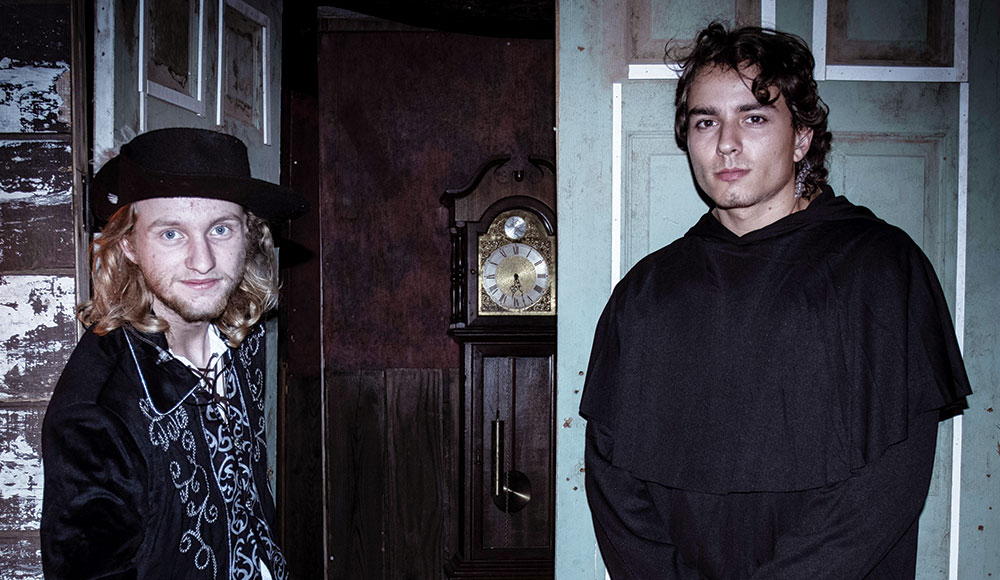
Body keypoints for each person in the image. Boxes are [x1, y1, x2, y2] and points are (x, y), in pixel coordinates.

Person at [579, 23, 971, 580]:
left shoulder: (882, 270)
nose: (727, 142)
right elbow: (613, 480)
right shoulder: (645, 294)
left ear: (803, 136)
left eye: (755, 117)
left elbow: (890, 482)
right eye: (706, 121)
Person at [41, 128, 308, 579]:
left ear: (248, 236)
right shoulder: (97, 412)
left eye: (220, 229)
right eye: (171, 234)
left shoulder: (241, 340)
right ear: (129, 244)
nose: (202, 261)